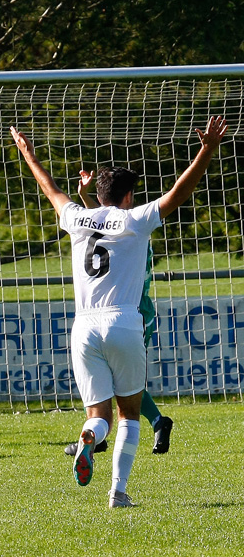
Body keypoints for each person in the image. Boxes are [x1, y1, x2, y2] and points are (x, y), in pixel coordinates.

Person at [11, 115, 227, 508]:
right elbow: (179, 192)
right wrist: (206, 151)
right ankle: (118, 492)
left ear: (98, 193)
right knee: (129, 414)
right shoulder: (135, 220)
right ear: (128, 196)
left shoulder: (77, 218)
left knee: (100, 414)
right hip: (124, 321)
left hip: (84, 327)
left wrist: (28, 153)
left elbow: (51, 188)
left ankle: (88, 436)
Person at [62, 170, 173, 458]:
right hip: (123, 314)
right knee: (122, 387)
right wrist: (87, 196)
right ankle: (110, 439)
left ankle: (100, 432)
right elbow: (100, 224)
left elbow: (98, 224)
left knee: (122, 389)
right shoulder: (132, 225)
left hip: (133, 307)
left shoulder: (135, 227)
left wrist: (86, 197)